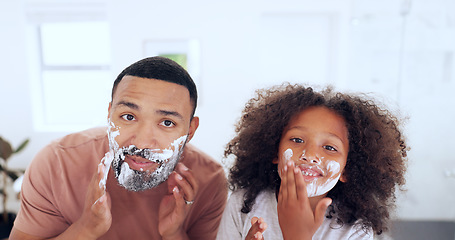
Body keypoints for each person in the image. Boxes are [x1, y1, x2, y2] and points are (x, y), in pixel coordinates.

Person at [11, 56, 228, 240]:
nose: (142, 142)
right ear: (109, 114)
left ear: (190, 130)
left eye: (167, 123)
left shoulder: (209, 180)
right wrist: (85, 228)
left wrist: (174, 234)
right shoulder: (55, 163)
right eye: (128, 117)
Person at [216, 83, 408, 240]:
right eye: (297, 140)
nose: (309, 155)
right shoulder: (243, 204)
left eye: (330, 148)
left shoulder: (355, 230)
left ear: (347, 170)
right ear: (274, 151)